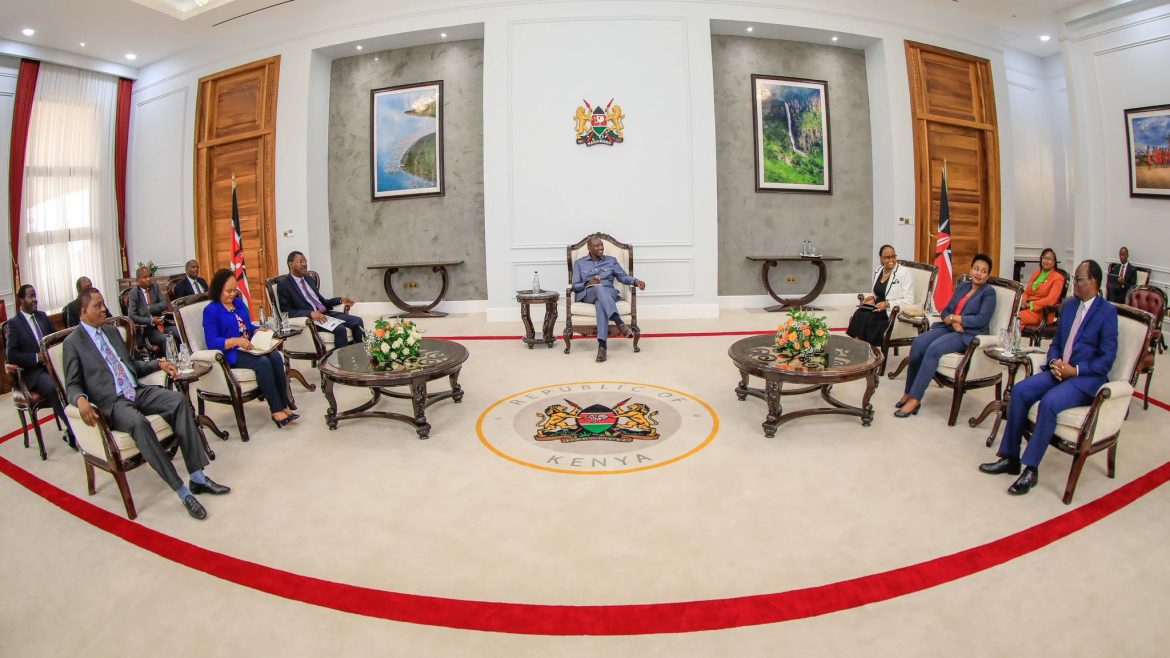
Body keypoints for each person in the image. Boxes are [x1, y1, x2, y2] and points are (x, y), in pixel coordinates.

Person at [63, 288, 229, 520]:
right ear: (83, 311)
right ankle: (182, 492)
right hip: (113, 403)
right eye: (97, 306)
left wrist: (158, 364)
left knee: (178, 400)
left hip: (136, 391)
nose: (103, 309)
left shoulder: (111, 331)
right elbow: (71, 385)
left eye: (103, 304)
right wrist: (80, 400)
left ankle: (197, 477)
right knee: (139, 423)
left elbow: (130, 365)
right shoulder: (73, 343)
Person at [980, 260, 1117, 495]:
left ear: (1093, 281)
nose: (1074, 283)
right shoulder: (1070, 307)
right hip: (1059, 370)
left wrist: (1075, 370)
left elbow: (1107, 359)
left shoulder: (1107, 312)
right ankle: (1010, 457)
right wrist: (1053, 362)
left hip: (1084, 379)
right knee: (1020, 391)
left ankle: (1031, 469)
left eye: (1079, 279)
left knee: (1050, 403)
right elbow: (1056, 344)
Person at [895, 254, 997, 418]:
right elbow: (946, 310)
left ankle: (915, 399)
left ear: (988, 276)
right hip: (950, 327)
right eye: (976, 269)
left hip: (968, 334)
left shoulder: (989, 293)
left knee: (933, 349)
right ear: (971, 269)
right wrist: (952, 320)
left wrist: (957, 319)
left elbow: (982, 319)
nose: (978, 273)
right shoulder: (963, 286)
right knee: (919, 342)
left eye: (983, 271)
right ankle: (908, 392)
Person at [204, 268, 298, 428]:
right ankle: (276, 410)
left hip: (250, 346)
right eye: (228, 291)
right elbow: (211, 342)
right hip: (231, 353)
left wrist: (256, 330)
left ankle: (283, 405)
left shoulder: (238, 304)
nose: (232, 294)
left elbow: (247, 326)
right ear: (218, 289)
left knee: (275, 357)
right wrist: (236, 341)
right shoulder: (211, 311)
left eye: (234, 290)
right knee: (263, 363)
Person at [6, 284, 75, 449]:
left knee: (73, 378)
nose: (35, 299)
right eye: (30, 296)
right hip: (33, 373)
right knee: (53, 386)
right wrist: (36, 358)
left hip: (52, 366)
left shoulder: (42, 317)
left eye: (35, 295)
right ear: (21, 300)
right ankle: (75, 430)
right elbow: (12, 355)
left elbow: (55, 339)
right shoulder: (14, 324)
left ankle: (78, 423)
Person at [571, 236, 646, 362]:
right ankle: (619, 322)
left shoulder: (611, 260)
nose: (601, 248)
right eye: (597, 245)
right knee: (598, 287)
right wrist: (588, 282)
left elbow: (623, 277)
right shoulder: (579, 263)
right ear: (589, 248)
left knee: (600, 302)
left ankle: (602, 347)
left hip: (609, 293)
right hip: (588, 293)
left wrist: (636, 281)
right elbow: (575, 285)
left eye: (601, 245)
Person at [276, 251, 364, 348]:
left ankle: (361, 353)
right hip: (311, 320)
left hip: (325, 314)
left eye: (305, 261)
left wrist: (340, 300)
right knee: (340, 329)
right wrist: (310, 314)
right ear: (291, 264)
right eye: (301, 262)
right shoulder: (284, 284)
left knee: (357, 321)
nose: (305, 264)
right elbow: (287, 312)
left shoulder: (309, 279)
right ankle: (341, 358)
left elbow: (320, 301)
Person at [846, 244, 916, 347]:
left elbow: (909, 300)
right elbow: (878, 291)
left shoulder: (904, 272)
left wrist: (887, 304)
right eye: (887, 257)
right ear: (881, 258)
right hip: (877, 307)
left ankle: (862, 347)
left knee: (869, 318)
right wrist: (872, 298)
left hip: (890, 312)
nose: (891, 260)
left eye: (893, 256)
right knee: (859, 313)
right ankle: (859, 345)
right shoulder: (879, 270)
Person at [127, 266, 182, 350]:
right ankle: (171, 358)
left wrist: (149, 308)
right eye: (145, 277)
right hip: (148, 329)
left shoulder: (154, 287)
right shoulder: (134, 293)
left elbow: (164, 304)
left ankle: (186, 356)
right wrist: (151, 320)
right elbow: (132, 316)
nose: (148, 279)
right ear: (138, 280)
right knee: (166, 339)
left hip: (162, 324)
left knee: (180, 332)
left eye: (149, 276)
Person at [1018, 248, 1066, 328]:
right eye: (1044, 258)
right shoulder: (1036, 273)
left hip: (1043, 313)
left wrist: (1031, 305)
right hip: (1027, 308)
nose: (1046, 261)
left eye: (1049, 259)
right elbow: (1026, 292)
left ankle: (1013, 336)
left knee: (1017, 318)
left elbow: (1051, 300)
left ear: (1054, 262)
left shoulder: (1058, 278)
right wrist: (1023, 301)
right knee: (1010, 313)